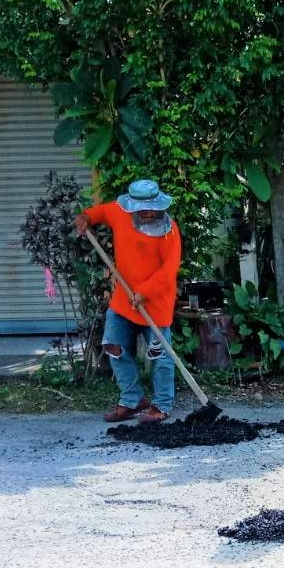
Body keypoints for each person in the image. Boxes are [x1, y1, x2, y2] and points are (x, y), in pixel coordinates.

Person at [75, 180, 182, 425]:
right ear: (132, 206)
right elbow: (98, 212)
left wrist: (144, 292)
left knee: (160, 356)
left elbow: (169, 270)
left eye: (150, 207)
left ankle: (162, 405)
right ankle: (132, 399)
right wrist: (85, 218)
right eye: (140, 207)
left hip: (155, 304)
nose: (145, 212)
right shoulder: (119, 213)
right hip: (123, 300)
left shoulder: (170, 231)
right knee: (113, 346)